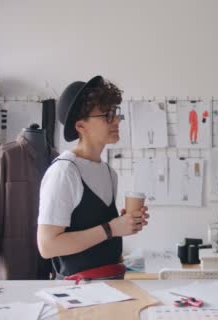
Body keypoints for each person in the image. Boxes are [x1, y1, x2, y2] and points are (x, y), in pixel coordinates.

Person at [37, 75, 149, 280]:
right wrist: (111, 228)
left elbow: (101, 230)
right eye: (106, 115)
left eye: (114, 113)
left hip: (113, 282)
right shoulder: (64, 172)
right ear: (81, 126)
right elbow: (47, 245)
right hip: (79, 292)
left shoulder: (108, 172)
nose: (116, 120)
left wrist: (124, 224)